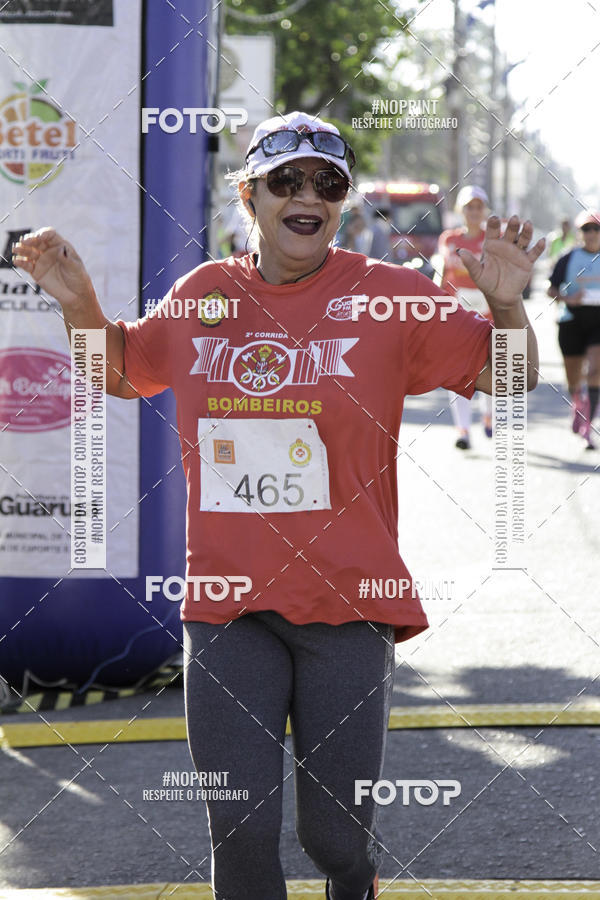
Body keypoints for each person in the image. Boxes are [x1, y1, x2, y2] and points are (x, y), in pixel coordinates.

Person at [13, 110, 543, 900]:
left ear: (343, 200)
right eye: (284, 180)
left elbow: (513, 379)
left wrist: (506, 308)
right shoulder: (203, 295)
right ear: (249, 194)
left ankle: (354, 880)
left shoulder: (390, 297)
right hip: (227, 605)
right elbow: (119, 373)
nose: (307, 195)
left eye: (326, 182)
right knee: (240, 827)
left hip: (350, 603)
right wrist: (80, 304)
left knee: (333, 836)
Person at [436, 185, 494, 450]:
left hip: (488, 313)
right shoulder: (449, 238)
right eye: (469, 207)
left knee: (490, 369)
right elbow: (442, 272)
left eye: (478, 206)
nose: (474, 212)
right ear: (461, 210)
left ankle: (488, 415)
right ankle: (463, 431)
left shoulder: (492, 240)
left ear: (485, 210)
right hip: (455, 314)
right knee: (457, 372)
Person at [547, 209, 600, 450]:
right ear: (580, 233)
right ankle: (578, 403)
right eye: (586, 229)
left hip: (597, 322)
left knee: (596, 371)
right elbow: (551, 289)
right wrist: (569, 299)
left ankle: (588, 425)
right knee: (574, 377)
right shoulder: (568, 258)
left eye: (596, 228)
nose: (591, 234)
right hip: (571, 321)